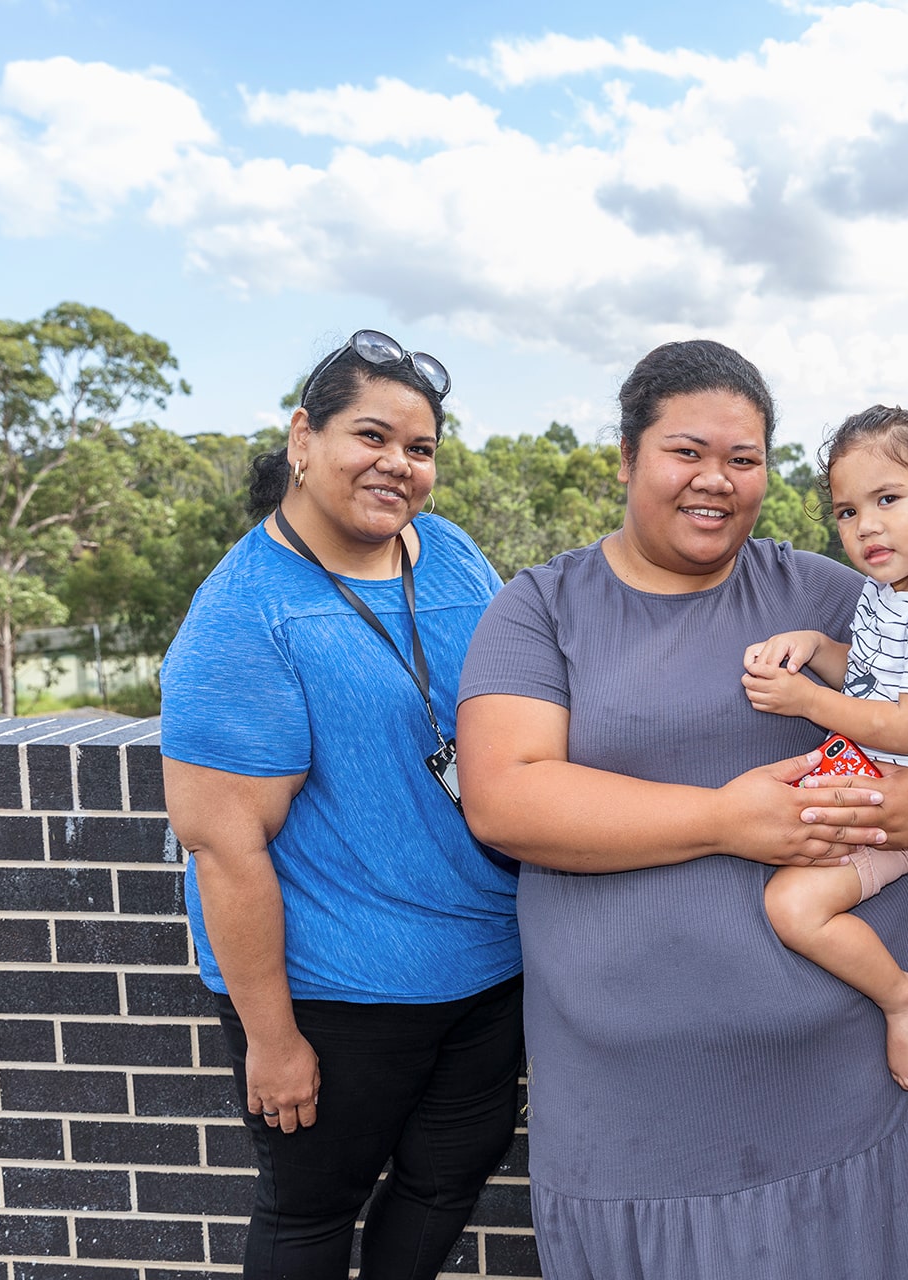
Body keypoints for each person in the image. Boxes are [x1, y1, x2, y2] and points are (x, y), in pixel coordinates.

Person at [455, 341, 908, 1280]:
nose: (716, 481)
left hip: (850, 1083)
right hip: (638, 1109)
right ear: (625, 458)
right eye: (686, 452)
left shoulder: (829, 594)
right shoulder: (540, 609)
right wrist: (725, 820)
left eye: (743, 460)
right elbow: (504, 799)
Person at [161, 330, 522, 1280]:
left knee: (448, 1185)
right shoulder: (244, 614)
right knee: (311, 1216)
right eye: (372, 436)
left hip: (487, 970)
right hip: (337, 996)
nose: (397, 465)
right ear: (303, 438)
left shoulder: (445, 552)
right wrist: (273, 1041)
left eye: (420, 448)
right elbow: (224, 846)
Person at [740, 406, 908, 1091]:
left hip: (893, 812)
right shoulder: (898, 592)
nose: (867, 527)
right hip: (862, 779)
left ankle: (902, 996)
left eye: (888, 499)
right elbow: (879, 675)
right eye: (848, 512)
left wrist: (807, 702)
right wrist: (820, 649)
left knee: (792, 906)